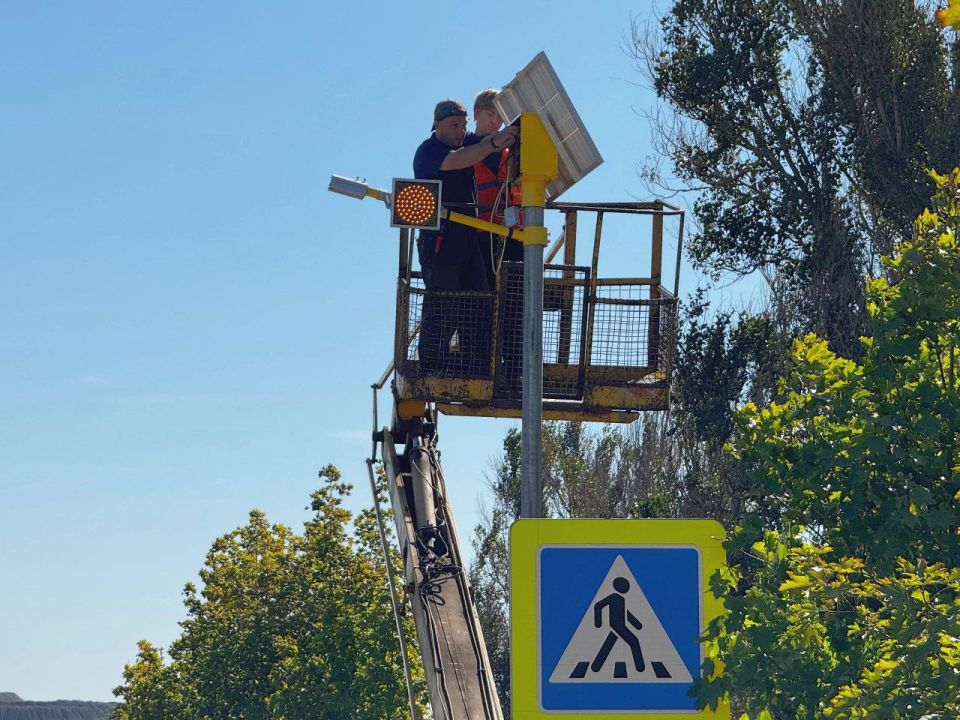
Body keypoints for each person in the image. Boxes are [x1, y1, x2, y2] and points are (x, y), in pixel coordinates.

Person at [413, 99, 517, 376]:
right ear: (437, 125)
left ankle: (477, 366)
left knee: (480, 302)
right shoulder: (429, 151)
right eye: (453, 126)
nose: (460, 131)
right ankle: (433, 368)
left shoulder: (468, 143)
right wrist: (492, 143)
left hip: (469, 237)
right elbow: (459, 160)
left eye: (463, 125)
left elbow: (482, 143)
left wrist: (509, 131)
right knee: (443, 303)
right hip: (441, 241)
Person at [464, 88, 524, 288]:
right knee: (481, 297)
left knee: (514, 301)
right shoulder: (463, 150)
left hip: (513, 235)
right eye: (490, 114)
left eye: (499, 116)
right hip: (478, 235)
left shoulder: (512, 153)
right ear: (476, 114)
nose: (495, 121)